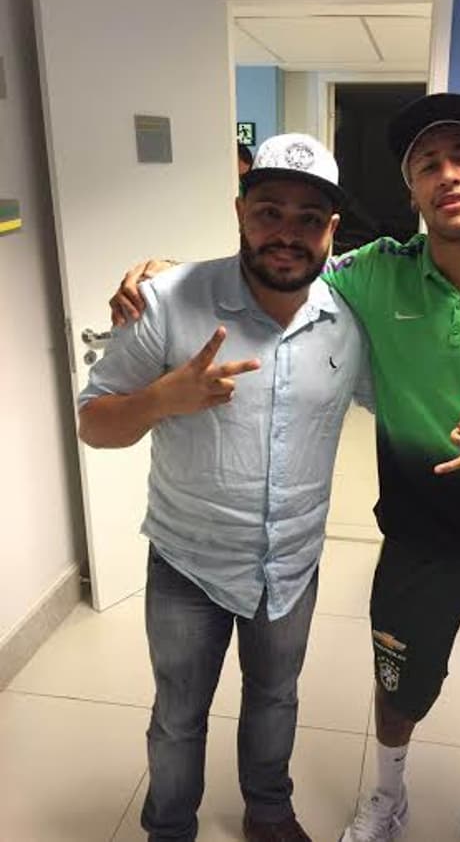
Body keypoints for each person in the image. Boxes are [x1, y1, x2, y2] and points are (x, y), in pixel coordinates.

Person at [110, 94, 460, 842]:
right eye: (426, 165)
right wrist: (164, 278)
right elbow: (279, 259)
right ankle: (385, 798)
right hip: (417, 540)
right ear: (412, 190)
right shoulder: (374, 274)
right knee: (399, 688)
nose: (447, 175)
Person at [79, 132, 372, 842]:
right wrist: (159, 401)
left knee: (276, 698)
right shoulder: (167, 302)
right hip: (189, 561)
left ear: (332, 231)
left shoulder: (351, 320)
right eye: (270, 211)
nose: (288, 234)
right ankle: (170, 826)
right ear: (241, 212)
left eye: (309, 219)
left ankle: (268, 809)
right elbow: (94, 422)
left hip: (292, 565)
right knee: (179, 714)